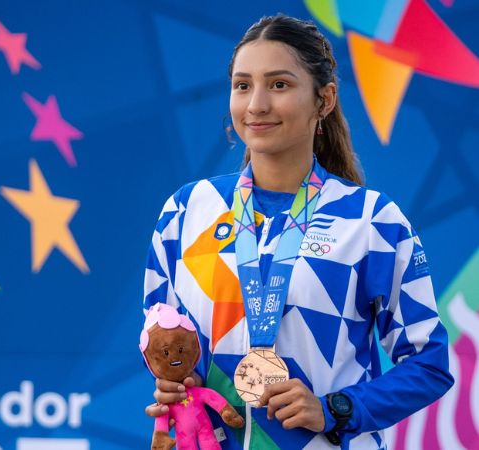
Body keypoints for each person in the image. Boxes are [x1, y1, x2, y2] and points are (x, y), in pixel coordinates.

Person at [142, 14, 453, 449]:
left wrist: (337, 409)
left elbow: (429, 363)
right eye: (243, 85)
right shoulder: (186, 210)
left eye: (279, 84)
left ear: (324, 100)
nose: (256, 105)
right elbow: (161, 339)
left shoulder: (372, 221)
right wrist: (174, 383)